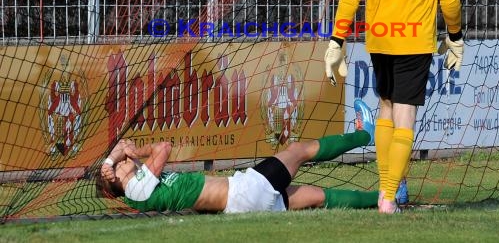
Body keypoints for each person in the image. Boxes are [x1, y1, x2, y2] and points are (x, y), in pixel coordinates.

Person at [324, 0, 463, 214]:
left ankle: (386, 191)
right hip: (414, 40)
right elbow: (450, 0)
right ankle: (388, 197)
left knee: (385, 108)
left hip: (381, 38)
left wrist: (336, 41)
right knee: (405, 116)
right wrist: (455, 36)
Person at [97, 102, 380, 213]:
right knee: (296, 150)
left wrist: (117, 160)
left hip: (244, 205)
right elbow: (164, 147)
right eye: (121, 165)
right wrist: (130, 152)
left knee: (317, 195)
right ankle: (364, 135)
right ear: (116, 181)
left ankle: (386, 199)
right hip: (245, 191)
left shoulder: (138, 187)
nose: (125, 161)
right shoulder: (136, 189)